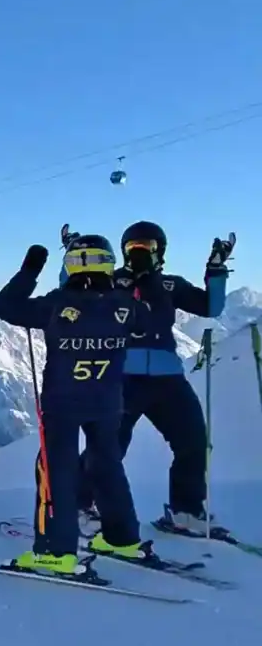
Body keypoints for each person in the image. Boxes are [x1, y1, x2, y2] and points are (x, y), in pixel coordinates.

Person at [0, 237, 170, 579]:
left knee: (55, 471)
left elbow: (5, 306)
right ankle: (122, 538)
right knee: (107, 466)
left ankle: (56, 552)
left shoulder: (56, 304)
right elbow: (157, 320)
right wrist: (148, 278)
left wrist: (30, 269)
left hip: (62, 404)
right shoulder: (124, 306)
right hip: (107, 402)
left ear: (71, 265)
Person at [76, 221, 234, 537]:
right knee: (108, 445)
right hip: (120, 378)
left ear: (159, 250)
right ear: (122, 252)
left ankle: (186, 512)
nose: (139, 253)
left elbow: (211, 307)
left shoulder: (170, 285)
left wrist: (215, 270)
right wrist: (78, 258)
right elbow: (75, 295)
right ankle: (77, 506)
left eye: (145, 246)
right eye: (132, 247)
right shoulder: (110, 282)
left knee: (193, 441)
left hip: (167, 379)